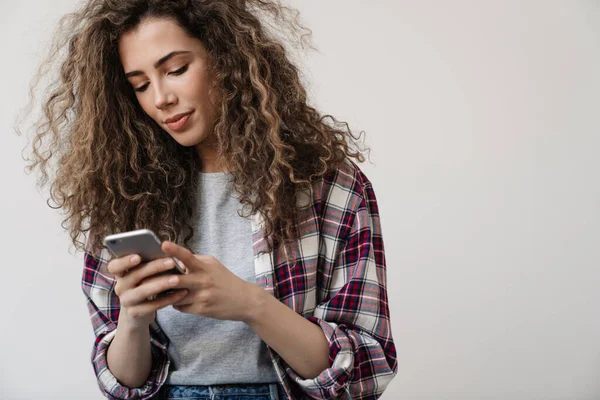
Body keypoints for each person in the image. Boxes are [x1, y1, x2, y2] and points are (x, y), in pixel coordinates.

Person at [19, 0, 397, 398]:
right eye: (141, 85)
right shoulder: (123, 193)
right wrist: (133, 318)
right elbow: (122, 386)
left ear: (226, 57)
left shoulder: (325, 184)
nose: (161, 98)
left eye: (176, 70)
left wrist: (250, 304)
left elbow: (366, 371)